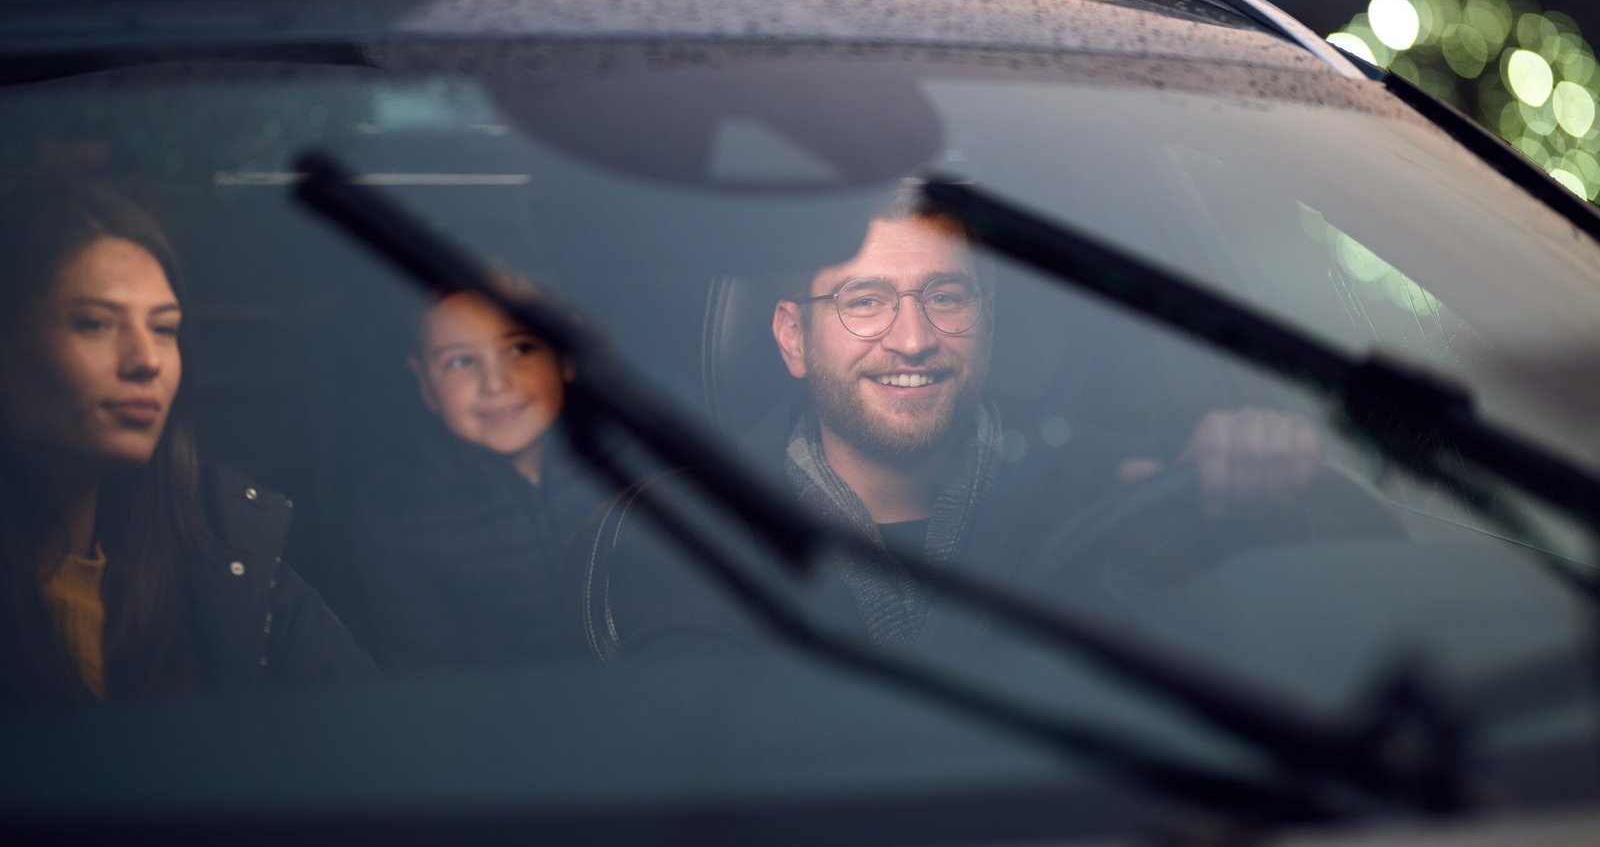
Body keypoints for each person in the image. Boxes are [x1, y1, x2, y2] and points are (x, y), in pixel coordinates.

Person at [602, 195, 1319, 652]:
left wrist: (1244, 499)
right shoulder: (694, 535)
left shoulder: (1113, 488)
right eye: (865, 302)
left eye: (946, 296)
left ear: (988, 321)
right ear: (793, 338)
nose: (914, 339)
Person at [0, 174, 376, 708]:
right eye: (95, 324)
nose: (147, 361)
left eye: (164, 329)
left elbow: (376, 728)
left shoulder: (226, 541)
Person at [354, 288, 601, 673]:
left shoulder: (629, 469)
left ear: (566, 353)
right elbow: (425, 675)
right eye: (462, 361)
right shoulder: (399, 514)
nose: (496, 383)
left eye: (521, 348)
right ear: (425, 384)